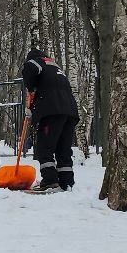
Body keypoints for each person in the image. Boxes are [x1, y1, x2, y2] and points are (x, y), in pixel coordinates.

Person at [23, 48, 79, 192]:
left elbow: (29, 71)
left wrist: (30, 89)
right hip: (70, 111)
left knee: (45, 148)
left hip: (51, 112)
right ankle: (66, 182)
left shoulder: (35, 62)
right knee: (63, 149)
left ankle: (50, 181)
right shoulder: (54, 66)